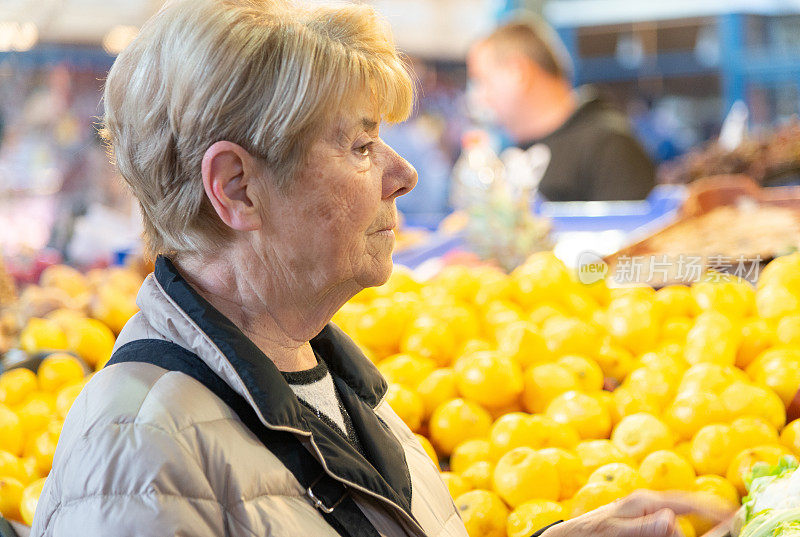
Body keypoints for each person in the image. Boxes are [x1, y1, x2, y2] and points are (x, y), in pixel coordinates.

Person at [30, 1, 730, 536]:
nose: (403, 174)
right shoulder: (138, 456)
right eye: (362, 145)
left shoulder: (336, 382)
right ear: (238, 187)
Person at [467, 18, 656, 202]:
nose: (478, 97)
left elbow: (638, 233)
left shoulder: (609, 147)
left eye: (482, 81)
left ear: (518, 72)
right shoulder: (510, 155)